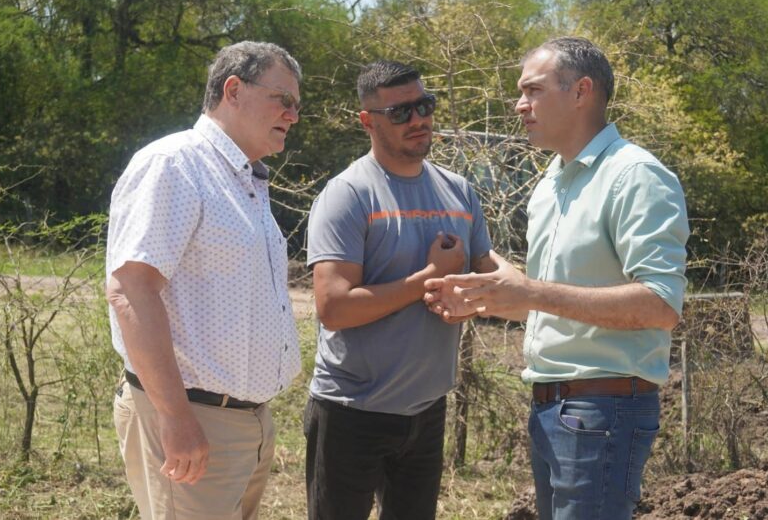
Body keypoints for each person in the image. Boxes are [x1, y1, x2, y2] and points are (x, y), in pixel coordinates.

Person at [425, 37, 690, 520]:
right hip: (553, 409)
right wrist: (480, 296)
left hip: (602, 413)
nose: (518, 103)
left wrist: (529, 290)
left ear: (581, 91)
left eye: (533, 90)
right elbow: (542, 301)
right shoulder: (551, 182)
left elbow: (660, 304)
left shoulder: (636, 176)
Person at [105, 41, 303, 520]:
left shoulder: (244, 180)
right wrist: (176, 418)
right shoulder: (175, 164)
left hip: (245, 422)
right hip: (193, 418)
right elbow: (131, 290)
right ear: (233, 90)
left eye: (297, 106)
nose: (293, 116)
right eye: (284, 100)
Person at [303, 59, 498, 520]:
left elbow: (487, 275)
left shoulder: (460, 192)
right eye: (401, 113)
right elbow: (333, 308)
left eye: (424, 106)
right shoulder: (348, 195)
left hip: (427, 409)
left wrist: (470, 298)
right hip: (351, 411)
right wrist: (426, 280)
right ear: (367, 121)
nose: (418, 120)